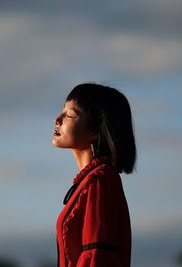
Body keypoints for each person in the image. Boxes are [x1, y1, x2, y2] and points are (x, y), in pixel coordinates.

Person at [52, 83, 137, 267]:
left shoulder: (100, 180)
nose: (57, 119)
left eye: (70, 115)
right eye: (62, 112)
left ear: (95, 131)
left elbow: (97, 257)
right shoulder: (91, 180)